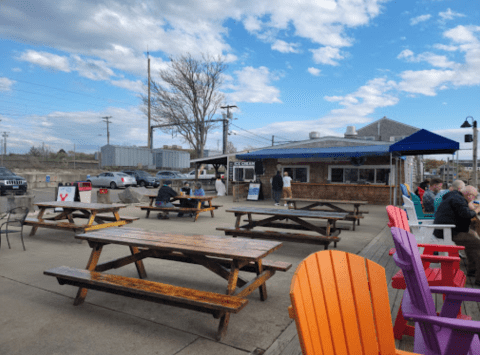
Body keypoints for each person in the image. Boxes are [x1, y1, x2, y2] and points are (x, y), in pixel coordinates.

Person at [433, 185, 480, 285]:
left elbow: (463, 212)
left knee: (472, 240)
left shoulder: (455, 197)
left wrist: (469, 206)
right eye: (474, 196)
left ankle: (472, 270)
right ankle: (478, 277)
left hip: (446, 230)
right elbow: (466, 214)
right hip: (448, 232)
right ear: (470, 195)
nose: (474, 198)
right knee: (476, 243)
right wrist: (477, 210)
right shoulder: (458, 199)